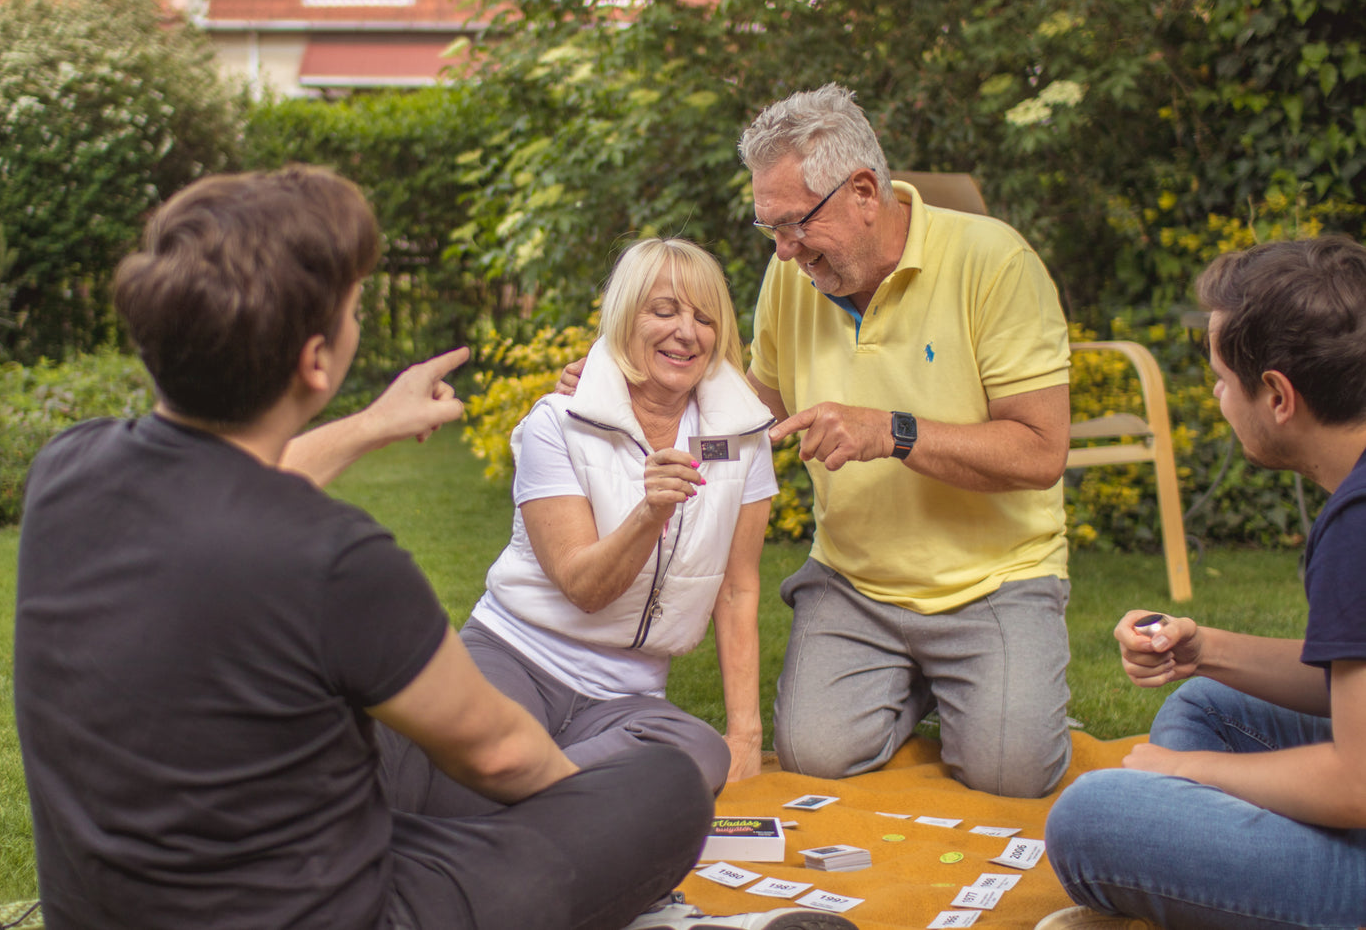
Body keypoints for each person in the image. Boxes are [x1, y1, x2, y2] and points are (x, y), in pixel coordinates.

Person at [13, 166, 830, 930]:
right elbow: (504, 755)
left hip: (106, 909)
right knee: (661, 791)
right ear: (315, 359)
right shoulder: (337, 559)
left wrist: (370, 423)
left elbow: (208, 478)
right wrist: (593, 818)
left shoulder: (67, 470)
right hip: (348, 910)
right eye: (355, 308)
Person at [739, 83, 1072, 796]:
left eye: (794, 224)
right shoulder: (789, 274)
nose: (784, 248)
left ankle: (957, 684)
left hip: (994, 580)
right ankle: (928, 684)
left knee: (1011, 774)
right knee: (813, 756)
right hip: (852, 582)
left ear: (863, 189)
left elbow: (1040, 452)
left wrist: (890, 431)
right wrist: (631, 382)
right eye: (768, 227)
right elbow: (749, 410)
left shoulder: (994, 260)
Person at [1039, 236, 1366, 930]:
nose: (1215, 397)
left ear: (1277, 394)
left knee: (1088, 816)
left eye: (1220, 378)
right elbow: (1349, 682)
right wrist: (1202, 648)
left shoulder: (1357, 527)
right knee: (1208, 703)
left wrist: (1188, 774)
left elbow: (1356, 782)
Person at [460, 238, 777, 794]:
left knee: (699, 755)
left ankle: (529, 786)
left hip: (628, 698)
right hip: (516, 656)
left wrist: (746, 735)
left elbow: (736, 589)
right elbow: (584, 588)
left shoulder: (742, 439)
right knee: (462, 759)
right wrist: (649, 513)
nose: (687, 332)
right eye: (664, 311)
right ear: (626, 317)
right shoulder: (558, 422)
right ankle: (557, 790)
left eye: (705, 318)